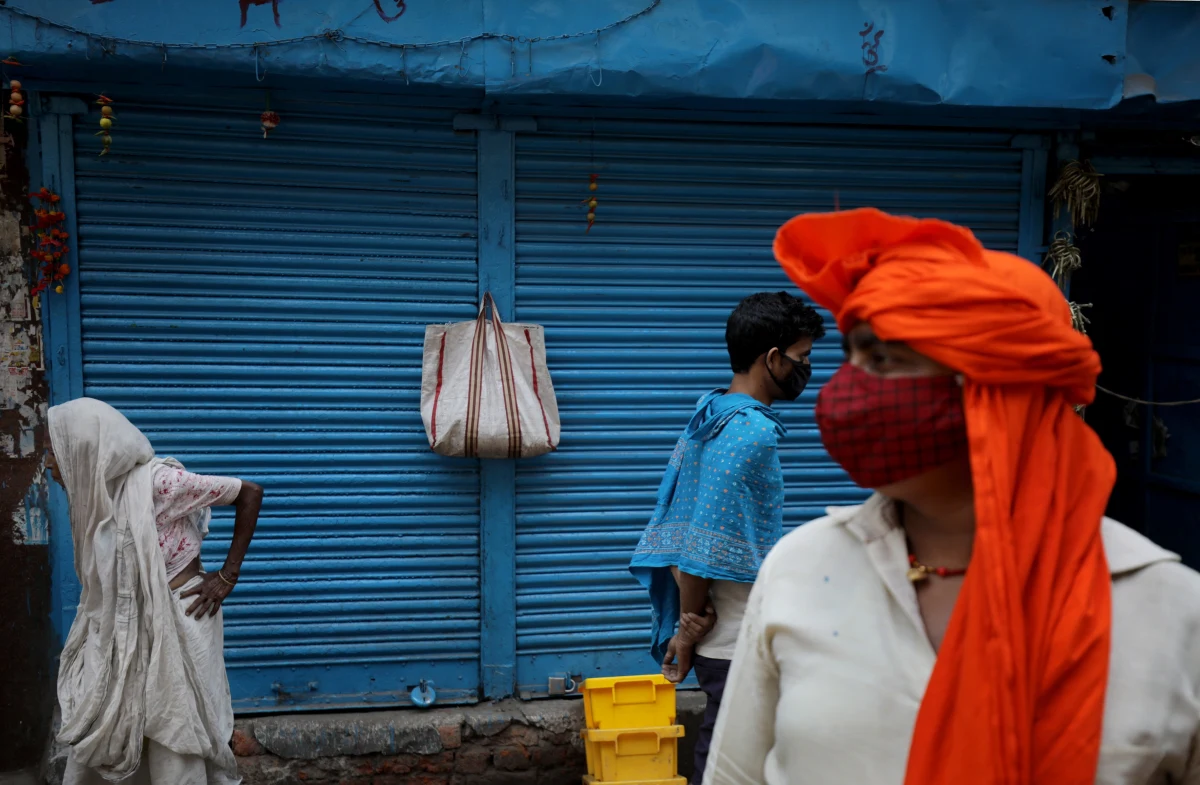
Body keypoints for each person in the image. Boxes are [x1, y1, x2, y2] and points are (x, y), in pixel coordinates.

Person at [704, 208, 1200, 785]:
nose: (847, 390)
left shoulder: (1169, 612)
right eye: (852, 356)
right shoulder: (802, 569)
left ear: (996, 386)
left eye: (883, 360)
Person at [629, 291, 826, 784]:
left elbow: (680, 526)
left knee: (728, 759)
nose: (807, 369)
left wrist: (689, 626)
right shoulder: (748, 433)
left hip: (723, 632)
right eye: (802, 358)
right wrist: (690, 626)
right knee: (728, 767)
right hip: (734, 638)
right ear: (773, 358)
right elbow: (700, 548)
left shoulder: (712, 414)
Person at [45, 398, 264, 785]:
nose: (50, 464)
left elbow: (250, 492)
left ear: (86, 448)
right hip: (123, 629)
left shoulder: (159, 483)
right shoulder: (100, 496)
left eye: (54, 452)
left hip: (180, 621)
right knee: (117, 721)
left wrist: (227, 576)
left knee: (175, 729)